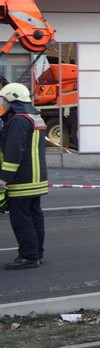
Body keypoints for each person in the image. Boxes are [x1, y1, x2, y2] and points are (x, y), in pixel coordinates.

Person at [0, 83, 48, 270]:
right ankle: (36, 253)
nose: (2, 105)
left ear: (12, 99)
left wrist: (4, 177)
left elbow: (14, 151)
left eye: (4, 101)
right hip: (36, 179)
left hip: (22, 180)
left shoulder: (18, 121)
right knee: (34, 217)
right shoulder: (33, 117)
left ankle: (28, 256)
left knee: (21, 220)